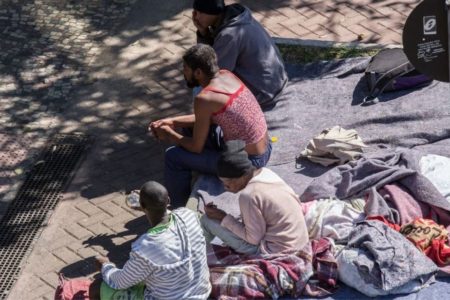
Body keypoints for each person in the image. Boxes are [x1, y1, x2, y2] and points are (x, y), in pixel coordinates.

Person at [149, 44, 271, 208]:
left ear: (198, 72)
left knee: (173, 156)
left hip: (249, 163)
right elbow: (209, 118)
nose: (183, 73)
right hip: (266, 148)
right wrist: (173, 121)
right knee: (190, 129)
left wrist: (169, 133)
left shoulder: (204, 99)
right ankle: (193, 176)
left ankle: (178, 211)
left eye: (185, 69)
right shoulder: (227, 75)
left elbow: (196, 147)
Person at [94, 181, 211, 300]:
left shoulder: (145, 247)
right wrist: (149, 206)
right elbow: (170, 216)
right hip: (201, 293)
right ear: (168, 200)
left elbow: (120, 282)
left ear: (143, 205)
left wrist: (105, 266)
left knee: (97, 287)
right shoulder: (188, 215)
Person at [201, 140, 309, 255]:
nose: (225, 186)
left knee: (207, 220)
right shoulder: (266, 173)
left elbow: (253, 239)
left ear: (241, 177)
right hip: (301, 241)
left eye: (227, 182)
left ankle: (202, 258)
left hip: (278, 252)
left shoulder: (249, 195)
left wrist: (223, 217)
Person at [192, 0, 288, 110]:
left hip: (263, 94)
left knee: (201, 88)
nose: (195, 17)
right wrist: (203, 33)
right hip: (275, 83)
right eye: (194, 12)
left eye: (199, 12)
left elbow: (213, 72)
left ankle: (210, 126)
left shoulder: (229, 35)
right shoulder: (239, 17)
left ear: (211, 13)